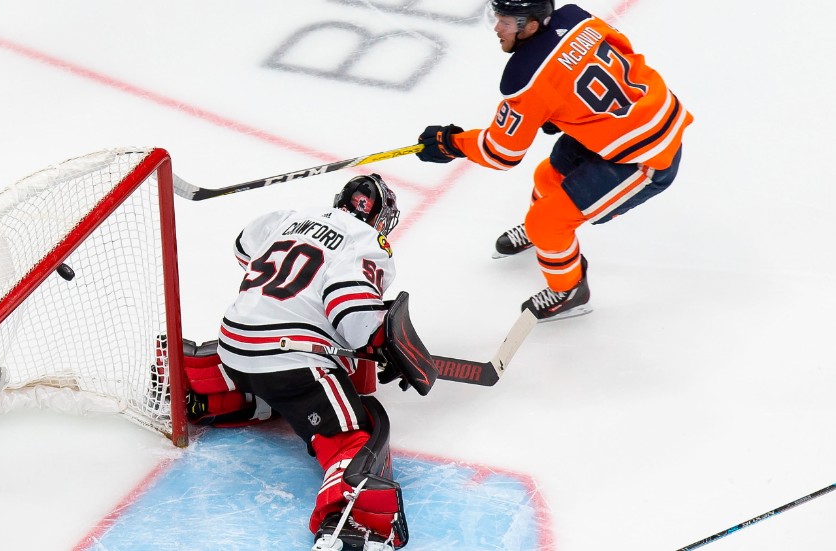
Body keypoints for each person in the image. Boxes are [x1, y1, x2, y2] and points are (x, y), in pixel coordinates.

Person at [415, 0, 692, 321]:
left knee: (546, 222)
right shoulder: (576, 18)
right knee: (548, 177)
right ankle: (545, 241)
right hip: (633, 118)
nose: (496, 28)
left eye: (506, 21)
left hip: (646, 156)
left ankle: (570, 291)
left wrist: (450, 144)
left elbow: (501, 151)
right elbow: (622, 49)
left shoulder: (526, 75)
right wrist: (565, 103)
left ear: (531, 25)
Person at [213, 173, 437, 551]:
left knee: (267, 380)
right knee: (355, 429)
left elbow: (242, 247)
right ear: (381, 220)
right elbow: (355, 318)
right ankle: (352, 520)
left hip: (232, 344)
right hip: (290, 358)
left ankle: (201, 390)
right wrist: (381, 341)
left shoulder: (291, 215)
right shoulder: (367, 240)